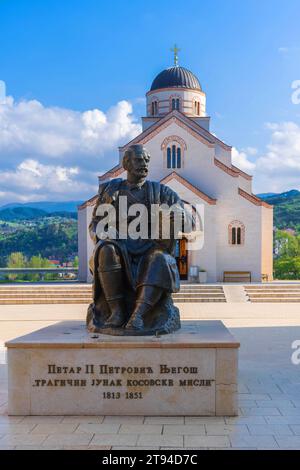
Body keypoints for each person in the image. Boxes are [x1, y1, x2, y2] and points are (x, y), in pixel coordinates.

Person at [87, 144, 191, 335]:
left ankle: (139, 315)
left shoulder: (161, 191)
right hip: (119, 247)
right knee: (106, 249)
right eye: (138, 159)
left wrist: (180, 216)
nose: (143, 164)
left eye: (146, 160)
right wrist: (103, 235)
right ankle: (116, 312)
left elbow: (187, 220)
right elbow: (95, 225)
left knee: (159, 258)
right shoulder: (111, 191)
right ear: (126, 163)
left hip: (149, 249)